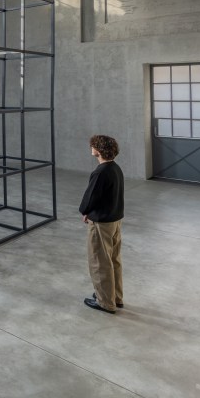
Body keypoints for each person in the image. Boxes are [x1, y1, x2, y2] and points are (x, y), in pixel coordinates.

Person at [79, 134, 124, 314]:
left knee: (99, 262)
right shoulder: (115, 168)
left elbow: (90, 199)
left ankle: (105, 302)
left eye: (92, 146)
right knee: (114, 260)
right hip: (115, 220)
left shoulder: (100, 172)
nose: (91, 148)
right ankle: (116, 297)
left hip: (102, 223)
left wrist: (85, 211)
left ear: (97, 150)